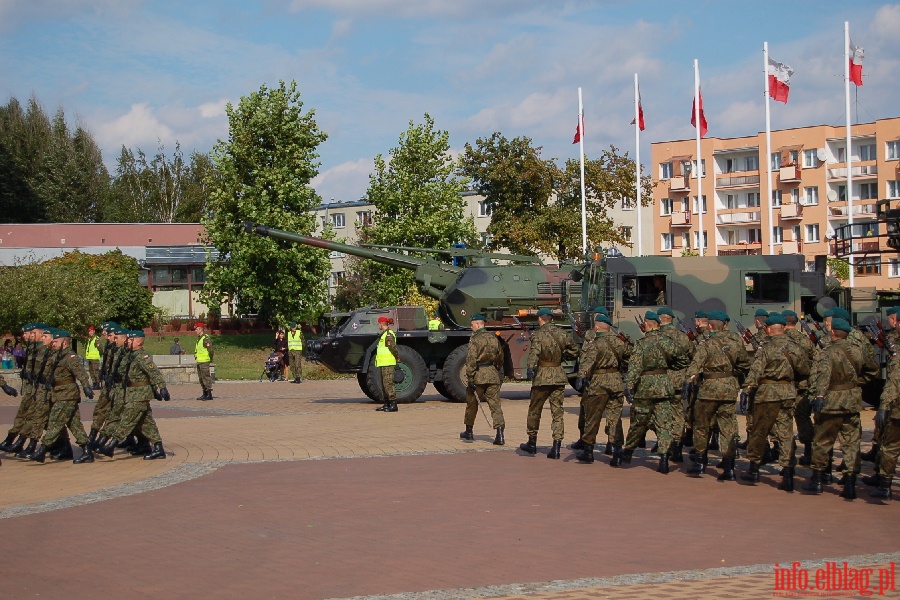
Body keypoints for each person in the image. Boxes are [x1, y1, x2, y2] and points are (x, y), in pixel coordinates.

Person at [802, 318, 878, 499]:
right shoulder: (858, 351)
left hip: (830, 402)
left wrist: (818, 395)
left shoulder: (826, 353)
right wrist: (855, 384)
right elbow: (873, 370)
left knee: (822, 441)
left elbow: (822, 376)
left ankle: (818, 480)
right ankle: (850, 483)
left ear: (833, 332)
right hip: (851, 402)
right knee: (851, 443)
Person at [740, 313, 809, 490]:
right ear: (783, 328)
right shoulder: (795, 347)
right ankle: (788, 472)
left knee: (759, 430)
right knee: (785, 432)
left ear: (769, 330)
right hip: (787, 393)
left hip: (767, 393)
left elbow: (755, 371)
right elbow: (804, 369)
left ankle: (754, 468)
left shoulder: (765, 348)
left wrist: (747, 389)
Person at [622, 311, 690, 473]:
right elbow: (683, 360)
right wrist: (667, 367)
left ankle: (627, 453)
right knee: (664, 423)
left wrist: (629, 386)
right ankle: (664, 459)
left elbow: (634, 367)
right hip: (664, 386)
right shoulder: (667, 341)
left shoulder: (641, 343)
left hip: (645, 387)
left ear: (646, 324)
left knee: (639, 421)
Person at [684, 311, 750, 480]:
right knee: (727, 427)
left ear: (710, 326)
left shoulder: (707, 344)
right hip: (729, 389)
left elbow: (695, 365)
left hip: (708, 390)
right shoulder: (735, 343)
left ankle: (700, 462)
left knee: (701, 426)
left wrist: (688, 380)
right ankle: (729, 466)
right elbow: (744, 364)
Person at [97, 330, 169, 460]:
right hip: (132, 394)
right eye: (128, 339)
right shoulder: (131, 355)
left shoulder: (142, 356)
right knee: (146, 423)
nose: (128, 341)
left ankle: (111, 446)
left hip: (139, 395)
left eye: (131, 340)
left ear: (139, 342)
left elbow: (154, 373)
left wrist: (162, 388)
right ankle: (158, 448)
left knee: (127, 419)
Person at [28, 329, 95, 464]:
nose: (53, 343)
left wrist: (86, 387)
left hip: (67, 394)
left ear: (64, 342)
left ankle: (42, 451)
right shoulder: (56, 355)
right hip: (58, 393)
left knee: (55, 421)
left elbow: (80, 373)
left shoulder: (70, 357)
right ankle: (87, 451)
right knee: (74, 424)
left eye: (56, 341)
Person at [519, 308, 578, 459]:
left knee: (535, 410)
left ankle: (532, 443)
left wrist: (530, 368)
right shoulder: (562, 333)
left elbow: (534, 353)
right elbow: (574, 350)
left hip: (542, 376)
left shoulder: (538, 334)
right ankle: (556, 446)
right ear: (552, 319)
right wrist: (563, 355)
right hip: (558, 374)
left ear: (540, 319)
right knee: (557, 412)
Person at [573, 313, 631, 465]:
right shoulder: (619, 342)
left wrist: (581, 376)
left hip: (598, 382)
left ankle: (588, 451)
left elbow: (587, 362)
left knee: (593, 417)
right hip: (616, 382)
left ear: (597, 327)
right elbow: (629, 358)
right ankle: (617, 451)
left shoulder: (595, 343)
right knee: (614, 419)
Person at [656, 306, 694, 462]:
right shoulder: (682, 337)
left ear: (659, 319)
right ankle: (677, 447)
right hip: (678, 381)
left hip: (659, 381)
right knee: (678, 414)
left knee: (661, 415)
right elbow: (693, 355)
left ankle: (665, 446)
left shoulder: (655, 337)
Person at [460, 313, 505, 444]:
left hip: (478, 375)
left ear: (478, 324)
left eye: (472, 324)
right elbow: (500, 357)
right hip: (492, 374)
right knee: (495, 405)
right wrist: (495, 369)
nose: (471, 327)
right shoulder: (493, 338)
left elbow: (471, 360)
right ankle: (500, 434)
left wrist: (470, 377)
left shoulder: (475, 339)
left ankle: (469, 432)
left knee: (472, 404)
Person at [374, 316, 399, 412]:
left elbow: (393, 347)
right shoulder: (383, 334)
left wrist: (397, 357)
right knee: (384, 384)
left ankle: (393, 404)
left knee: (388, 383)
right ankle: (387, 403)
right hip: (383, 363)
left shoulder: (388, 334)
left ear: (381, 324)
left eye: (378, 324)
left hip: (388, 363)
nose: (378, 325)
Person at [195, 322, 214, 400]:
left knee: (206, 377)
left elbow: (211, 350)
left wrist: (210, 359)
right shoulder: (199, 339)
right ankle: (204, 393)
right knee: (201, 378)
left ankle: (209, 394)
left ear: (200, 329)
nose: (195, 330)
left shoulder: (205, 338)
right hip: (199, 361)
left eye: (196, 329)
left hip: (204, 361)